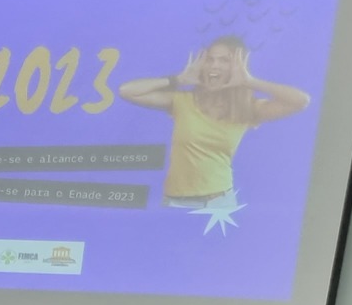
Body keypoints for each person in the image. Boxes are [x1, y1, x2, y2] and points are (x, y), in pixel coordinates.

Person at [119, 35, 310, 207]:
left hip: (219, 203)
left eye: (224, 60)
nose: (214, 65)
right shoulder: (182, 101)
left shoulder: (247, 108)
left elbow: (300, 101)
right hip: (176, 201)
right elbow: (127, 91)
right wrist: (178, 80)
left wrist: (250, 81)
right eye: (210, 59)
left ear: (237, 66)